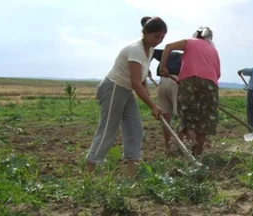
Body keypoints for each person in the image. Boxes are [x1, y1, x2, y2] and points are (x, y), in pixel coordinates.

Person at [85, 16, 167, 177]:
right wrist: (152, 105)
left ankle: (132, 173)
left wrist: (146, 88)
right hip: (114, 87)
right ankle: (88, 173)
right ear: (145, 33)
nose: (158, 40)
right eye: (156, 36)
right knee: (108, 129)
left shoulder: (149, 49)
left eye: (162, 37)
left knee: (134, 127)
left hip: (126, 89)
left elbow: (142, 76)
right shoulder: (135, 49)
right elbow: (135, 82)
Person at [159, 26, 221, 157]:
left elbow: (168, 46)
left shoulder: (190, 42)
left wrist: (163, 67)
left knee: (186, 114)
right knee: (204, 119)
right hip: (211, 84)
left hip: (189, 80)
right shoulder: (214, 51)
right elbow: (218, 74)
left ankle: (192, 140)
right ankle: (198, 154)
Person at [151, 49, 183, 152]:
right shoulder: (186, 56)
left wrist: (146, 68)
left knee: (165, 117)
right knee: (182, 115)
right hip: (176, 82)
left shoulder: (165, 52)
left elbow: (152, 52)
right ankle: (180, 147)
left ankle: (168, 146)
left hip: (162, 82)